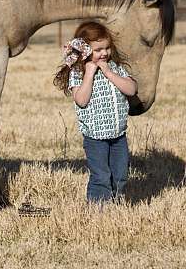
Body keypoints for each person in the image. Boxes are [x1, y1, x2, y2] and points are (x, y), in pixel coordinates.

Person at [53, 21, 138, 203]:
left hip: (118, 135)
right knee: (101, 176)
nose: (104, 53)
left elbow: (131, 89)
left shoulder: (115, 68)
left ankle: (117, 204)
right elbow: (81, 100)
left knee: (120, 175)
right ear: (86, 50)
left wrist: (109, 73)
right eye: (98, 49)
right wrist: (90, 73)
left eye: (107, 48)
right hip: (95, 138)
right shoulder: (78, 72)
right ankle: (98, 211)